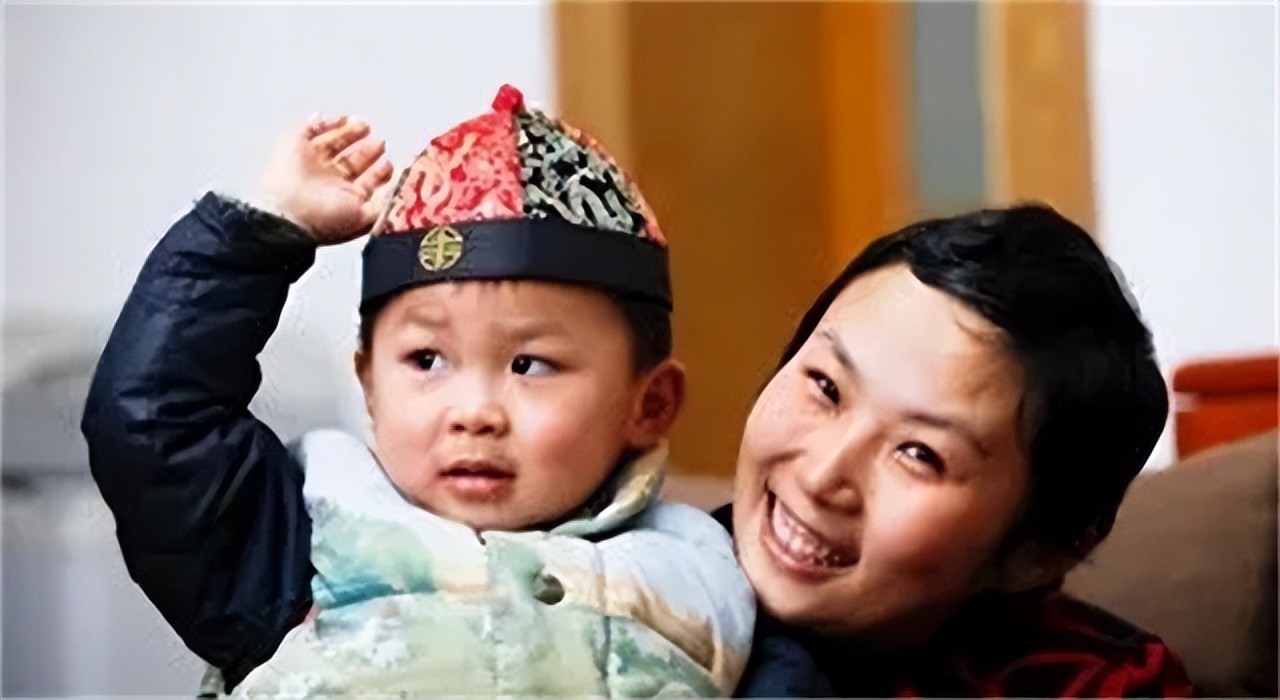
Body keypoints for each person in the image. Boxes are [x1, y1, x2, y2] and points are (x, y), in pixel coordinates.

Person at [81, 86, 753, 698]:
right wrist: (260, 235)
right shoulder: (302, 540)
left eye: (530, 365)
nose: (474, 413)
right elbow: (152, 422)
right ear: (370, 384)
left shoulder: (702, 575)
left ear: (650, 404)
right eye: (427, 359)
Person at [723, 206, 1197, 697]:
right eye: (825, 387)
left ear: (1037, 554)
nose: (821, 477)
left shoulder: (1093, 685)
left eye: (919, 454)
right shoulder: (671, 572)